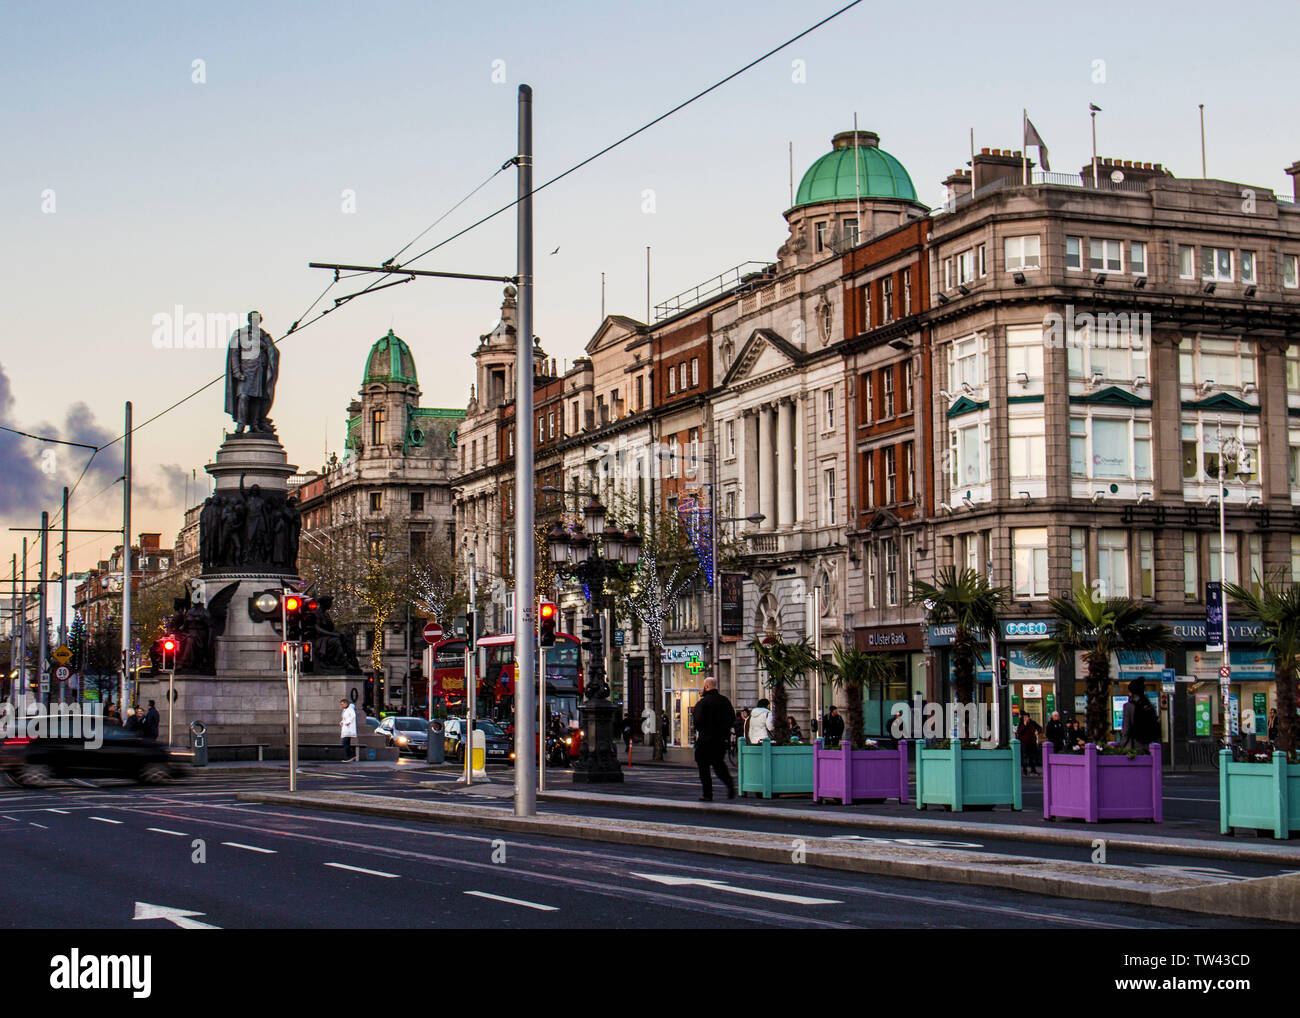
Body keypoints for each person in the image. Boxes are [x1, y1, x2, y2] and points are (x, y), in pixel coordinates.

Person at [691, 677, 736, 801]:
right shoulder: (725, 701)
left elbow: (697, 722)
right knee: (719, 764)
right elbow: (732, 718)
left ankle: (708, 793)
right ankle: (729, 783)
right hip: (720, 739)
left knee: (703, 767)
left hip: (705, 740)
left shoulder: (703, 703)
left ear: (706, 687)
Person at [1120, 679, 1159, 752]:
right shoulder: (1149, 705)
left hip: (1134, 745)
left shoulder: (1128, 706)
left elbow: (1126, 728)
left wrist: (1122, 744)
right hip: (1148, 745)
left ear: (1131, 692)